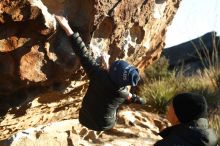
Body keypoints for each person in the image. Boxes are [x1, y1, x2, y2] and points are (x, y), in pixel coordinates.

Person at [55, 15, 145, 131]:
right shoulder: (123, 93)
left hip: (84, 118)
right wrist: (141, 100)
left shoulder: (97, 75)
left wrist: (66, 26)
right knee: (121, 101)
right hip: (105, 124)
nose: (111, 66)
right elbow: (123, 90)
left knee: (118, 100)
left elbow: (83, 53)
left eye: (112, 67)